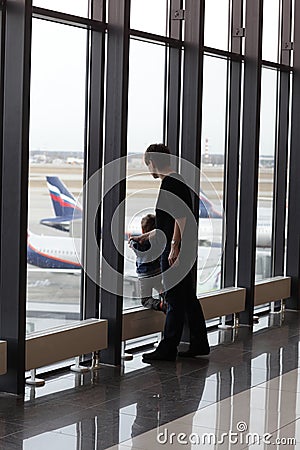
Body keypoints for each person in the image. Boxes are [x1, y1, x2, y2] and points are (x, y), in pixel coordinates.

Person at [131, 143, 210, 361]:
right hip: (179, 247)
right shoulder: (176, 182)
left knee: (174, 298)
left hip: (176, 250)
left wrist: (175, 246)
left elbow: (180, 217)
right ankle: (199, 343)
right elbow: (166, 223)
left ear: (153, 162)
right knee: (187, 298)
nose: (149, 170)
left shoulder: (171, 184)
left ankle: (167, 348)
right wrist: (144, 237)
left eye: (148, 165)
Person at [129, 214, 166, 312]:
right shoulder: (158, 241)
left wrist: (132, 240)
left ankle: (161, 305)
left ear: (143, 230)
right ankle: (164, 294)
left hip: (145, 275)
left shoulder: (139, 243)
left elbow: (133, 244)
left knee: (145, 300)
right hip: (157, 272)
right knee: (158, 285)